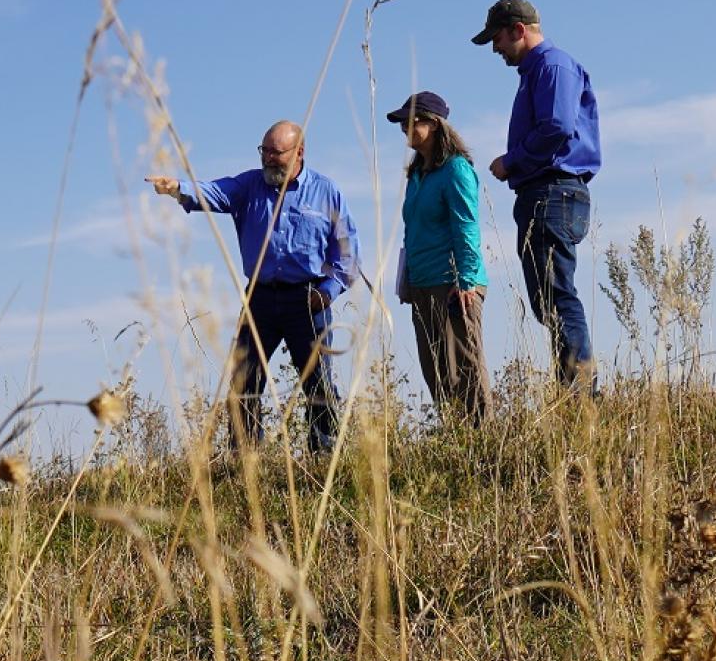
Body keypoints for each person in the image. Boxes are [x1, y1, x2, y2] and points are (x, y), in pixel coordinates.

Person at [149, 120, 358, 452]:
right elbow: (214, 192)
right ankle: (244, 458)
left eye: (276, 152)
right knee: (244, 378)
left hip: (308, 299)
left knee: (317, 381)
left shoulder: (326, 192)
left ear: (299, 152)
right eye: (265, 151)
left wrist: (328, 292)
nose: (269, 159)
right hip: (259, 298)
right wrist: (178, 188)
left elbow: (346, 253)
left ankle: (324, 455)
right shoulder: (249, 186)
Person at [473, 0, 602, 386]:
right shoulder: (538, 71)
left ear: (518, 30)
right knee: (549, 301)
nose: (495, 47)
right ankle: (573, 393)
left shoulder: (552, 66)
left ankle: (580, 398)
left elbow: (557, 128)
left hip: (553, 191)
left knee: (557, 298)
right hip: (547, 192)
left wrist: (512, 161)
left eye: (498, 38)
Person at [385, 90, 488, 424]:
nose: (404, 127)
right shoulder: (417, 175)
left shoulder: (456, 169)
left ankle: (481, 440)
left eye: (411, 120)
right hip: (422, 285)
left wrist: (467, 280)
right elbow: (411, 230)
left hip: (454, 284)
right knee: (436, 370)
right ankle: (455, 439)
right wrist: (408, 278)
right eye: (402, 121)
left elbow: (466, 226)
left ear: (434, 123)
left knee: (464, 368)